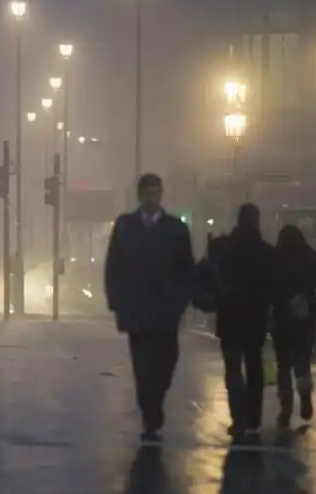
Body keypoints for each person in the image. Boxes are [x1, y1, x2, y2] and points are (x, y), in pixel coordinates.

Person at [104, 173, 194, 442]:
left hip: (166, 309)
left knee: (167, 361)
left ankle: (155, 400)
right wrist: (116, 302)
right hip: (137, 308)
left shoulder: (176, 229)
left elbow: (186, 268)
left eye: (156, 193)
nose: (153, 199)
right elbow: (114, 265)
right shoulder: (125, 227)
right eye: (148, 194)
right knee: (142, 366)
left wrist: (181, 300)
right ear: (140, 195)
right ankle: (150, 414)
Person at [214, 203, 278, 438]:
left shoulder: (225, 249)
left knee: (232, 369)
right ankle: (254, 417)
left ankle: (238, 416)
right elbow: (275, 288)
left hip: (229, 318)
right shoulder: (267, 253)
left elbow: (213, 278)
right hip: (255, 319)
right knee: (254, 366)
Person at [272, 224, 316, 428]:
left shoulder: (275, 260)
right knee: (302, 362)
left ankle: (285, 407)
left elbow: (266, 290)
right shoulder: (312, 259)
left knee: (283, 365)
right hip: (304, 321)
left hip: (281, 320)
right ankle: (305, 394)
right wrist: (311, 306)